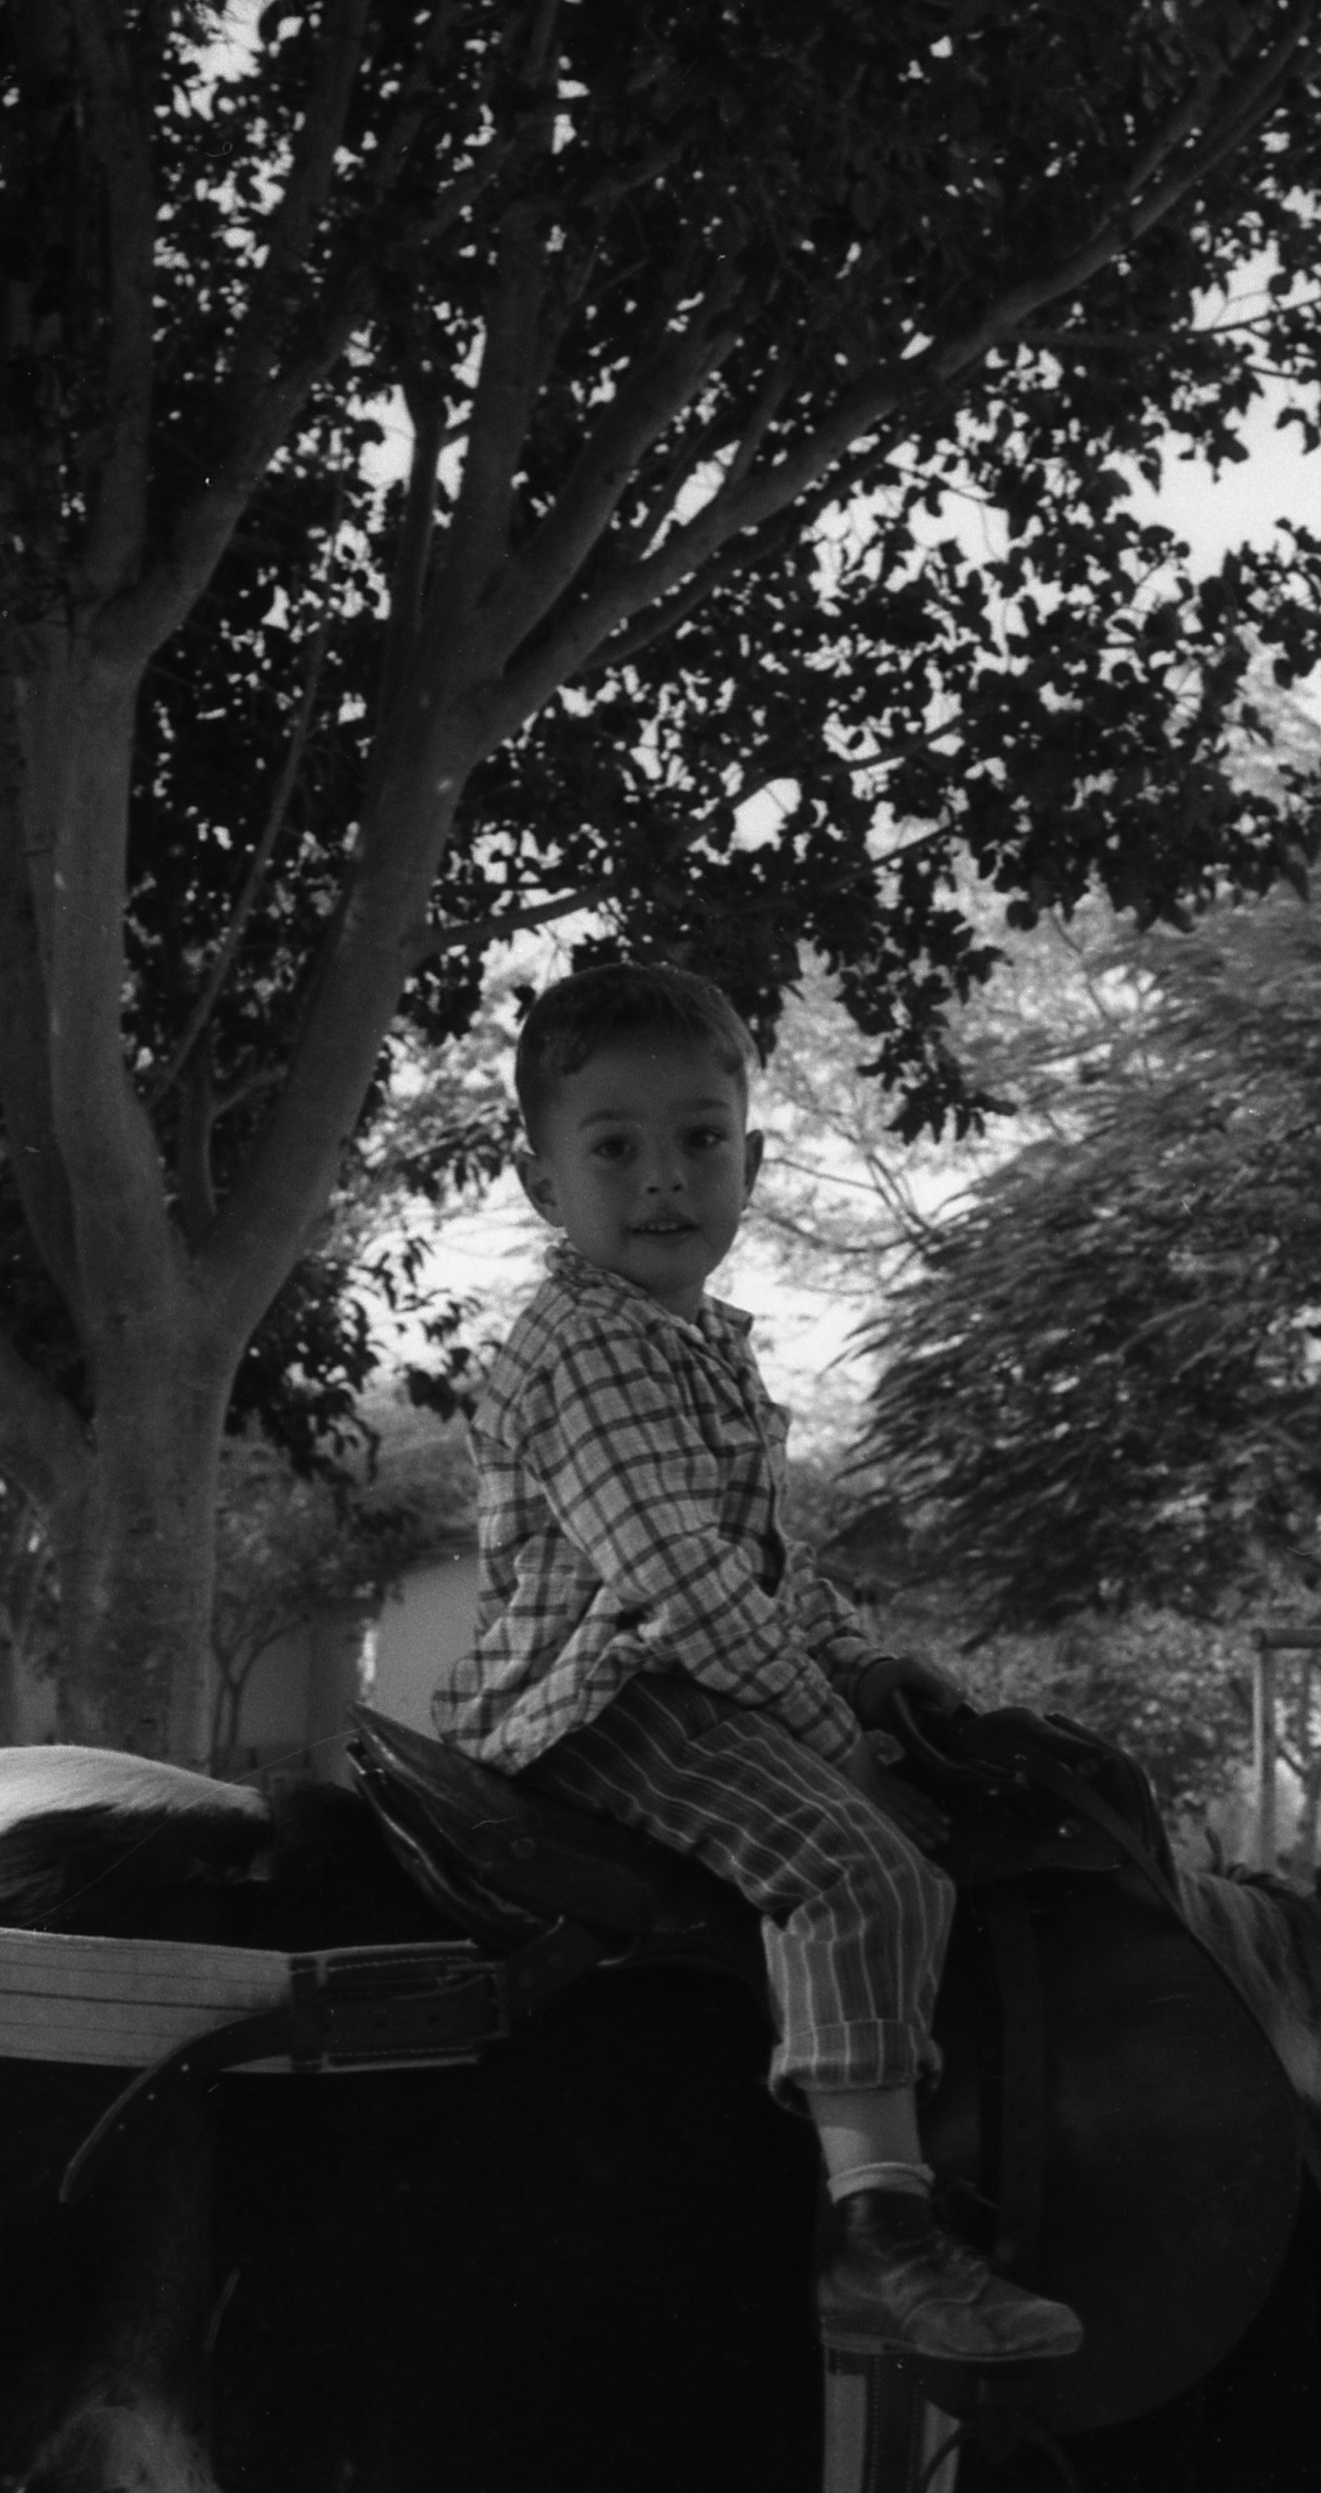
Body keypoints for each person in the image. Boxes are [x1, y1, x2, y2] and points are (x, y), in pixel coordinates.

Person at [433, 955, 1083, 2369]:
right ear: (544, 1185)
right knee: (859, 1866)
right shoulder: (589, 1353)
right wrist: (835, 1747)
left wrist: (868, 1670)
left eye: (698, 1140)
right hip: (599, 1702)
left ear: (752, 1157)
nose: (663, 1179)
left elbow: (773, 1577)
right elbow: (683, 1582)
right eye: (614, 1149)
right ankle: (878, 2237)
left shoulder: (695, 1344)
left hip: (681, 1667)